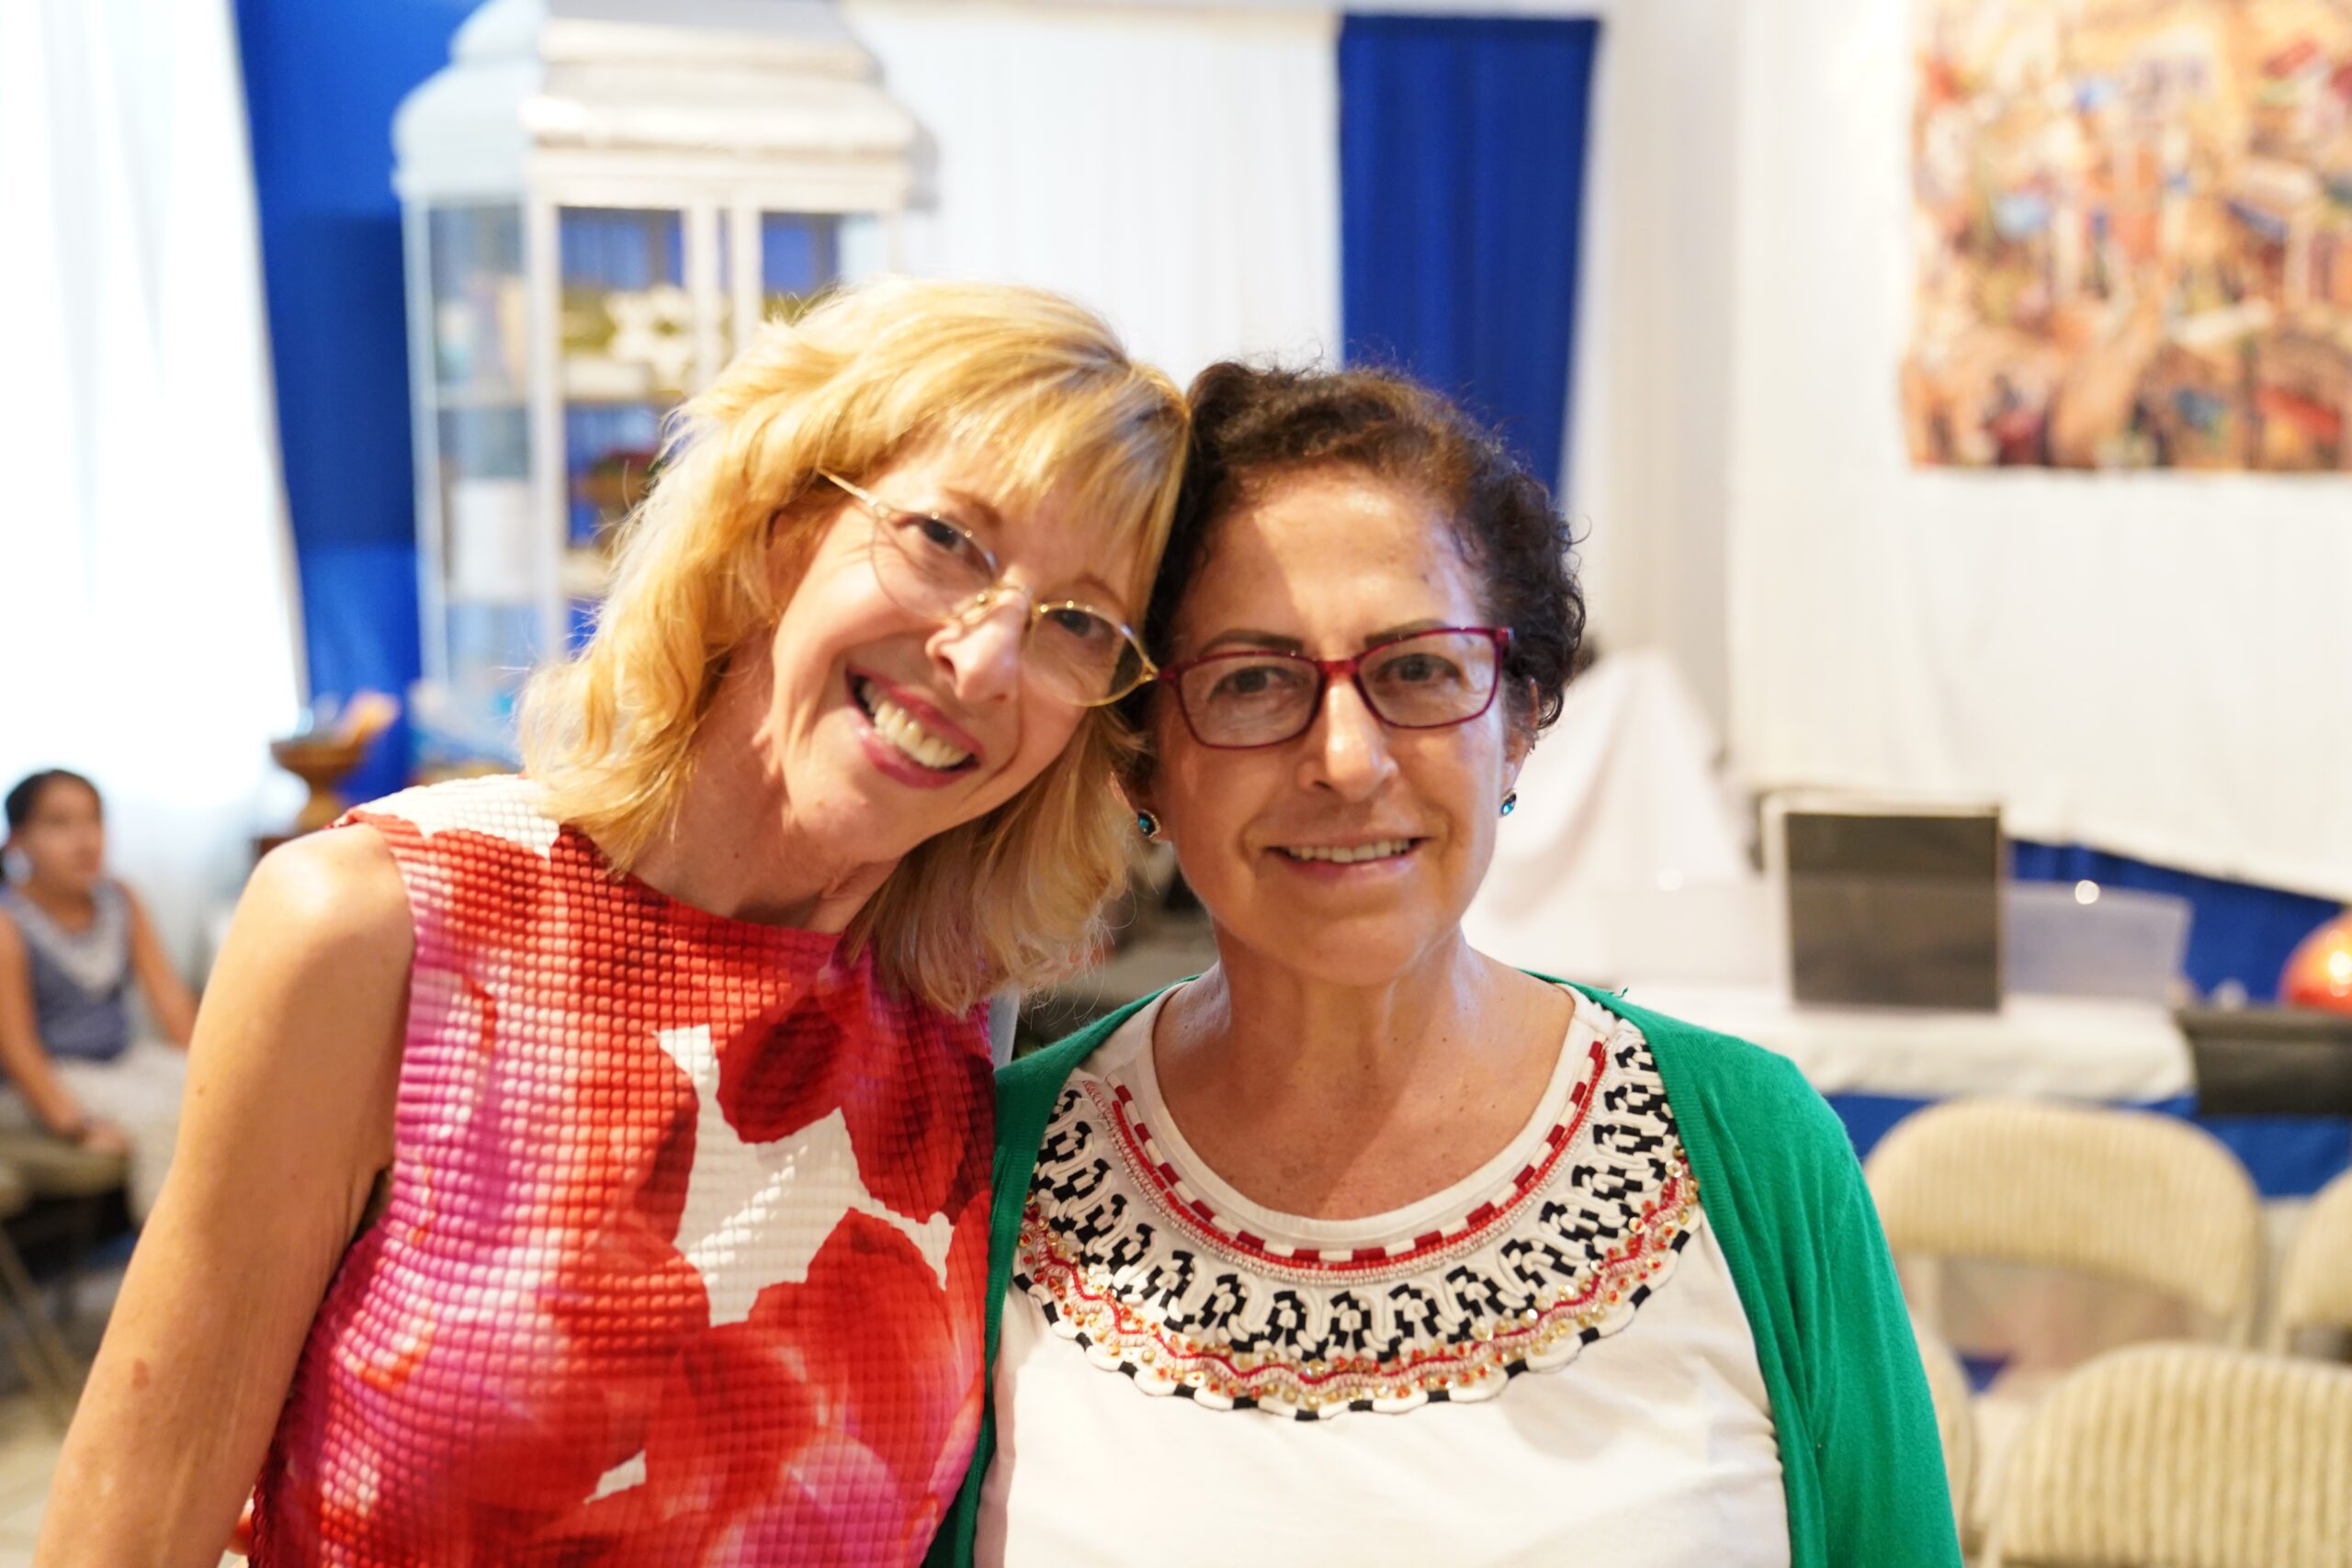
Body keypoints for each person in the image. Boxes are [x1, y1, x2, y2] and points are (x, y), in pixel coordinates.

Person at [40, 278, 1189, 1566]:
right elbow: (134, 1523)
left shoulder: (951, 1002)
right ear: (779, 527)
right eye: (944, 539)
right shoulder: (380, 928)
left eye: (1076, 622)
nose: (984, 659)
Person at [941, 364, 1962, 1567]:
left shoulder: (1750, 1149)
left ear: (1517, 720)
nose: (1347, 759)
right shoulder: (986, 1178)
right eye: (1252, 680)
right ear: (1140, 759)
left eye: (1417, 669)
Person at [0, 769, 198, 1220]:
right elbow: (16, 1047)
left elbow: (170, 1000)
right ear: (18, 842)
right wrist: (74, 1125)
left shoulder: (120, 899)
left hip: (119, 1056)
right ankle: (170, 1250)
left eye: (93, 820)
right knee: (162, 1118)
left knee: (221, 1096)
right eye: (59, 824)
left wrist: (217, 1069)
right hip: (50, 1074)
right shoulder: (9, 922)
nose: (84, 840)